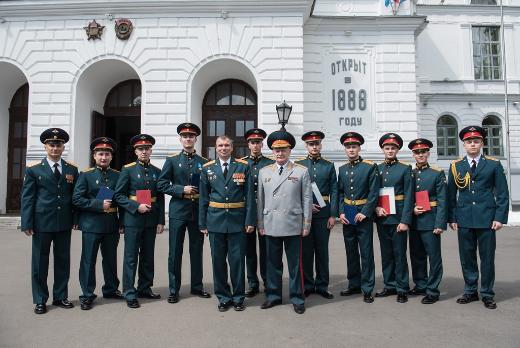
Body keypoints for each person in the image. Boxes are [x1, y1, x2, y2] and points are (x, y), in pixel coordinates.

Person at [447, 126, 509, 309]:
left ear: (482, 143)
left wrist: (499, 217)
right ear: (464, 145)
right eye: (469, 142)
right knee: (467, 257)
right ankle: (470, 291)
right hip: (464, 217)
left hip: (487, 219)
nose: (472, 144)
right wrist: (452, 217)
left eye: (476, 141)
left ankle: (488, 293)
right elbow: (451, 195)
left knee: (487, 258)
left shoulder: (493, 165)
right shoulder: (456, 166)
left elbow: (503, 194)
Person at [21, 128, 78, 314]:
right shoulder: (34, 169)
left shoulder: (71, 169)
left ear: (63, 147)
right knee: (40, 262)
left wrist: (75, 218)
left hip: (64, 222)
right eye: (51, 145)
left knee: (63, 261)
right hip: (41, 222)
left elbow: (75, 197)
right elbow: (28, 197)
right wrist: (27, 222)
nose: (55, 148)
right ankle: (40, 299)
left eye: (59, 145)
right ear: (45, 146)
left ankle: (60, 296)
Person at [257, 130, 313, 314]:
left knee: (295, 265)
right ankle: (273, 296)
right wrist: (261, 224)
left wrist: (306, 224)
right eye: (276, 150)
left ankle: (297, 297)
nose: (280, 153)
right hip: (271, 223)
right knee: (272, 263)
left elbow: (307, 199)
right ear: (272, 151)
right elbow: (261, 200)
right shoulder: (264, 172)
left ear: (289, 150)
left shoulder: (301, 171)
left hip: (293, 223)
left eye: (283, 149)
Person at [199, 135, 255, 312]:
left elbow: (250, 198)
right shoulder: (207, 168)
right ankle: (223, 297)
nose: (223, 148)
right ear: (216, 148)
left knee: (237, 261)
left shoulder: (243, 166)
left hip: (238, 221)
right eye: (220, 145)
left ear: (232, 148)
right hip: (215, 221)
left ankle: (238, 297)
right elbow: (203, 198)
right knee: (218, 262)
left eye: (226, 145)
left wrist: (249, 220)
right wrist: (203, 223)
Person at [157, 123, 211, 304]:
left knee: (196, 251)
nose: (188, 139)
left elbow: (207, 188)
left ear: (196, 139)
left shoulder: (203, 162)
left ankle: (197, 286)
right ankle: (174, 289)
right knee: (175, 252)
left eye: (191, 136)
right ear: (180, 139)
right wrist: (182, 189)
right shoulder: (171, 160)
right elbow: (162, 184)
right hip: (178, 212)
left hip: (196, 212)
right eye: (185, 136)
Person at [114, 134, 165, 309]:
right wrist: (136, 206)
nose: (144, 151)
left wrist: (160, 221)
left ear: (151, 150)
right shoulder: (127, 170)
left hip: (151, 220)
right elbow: (118, 196)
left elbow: (160, 198)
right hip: (133, 219)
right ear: (135, 151)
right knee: (130, 257)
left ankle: (145, 287)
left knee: (147, 256)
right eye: (140, 149)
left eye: (147, 148)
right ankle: (129, 292)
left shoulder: (157, 172)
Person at [73, 137, 124, 310]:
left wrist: (122, 222)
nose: (104, 157)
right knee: (88, 260)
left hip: (111, 223)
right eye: (100, 154)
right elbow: (77, 199)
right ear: (94, 156)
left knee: (110, 259)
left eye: (107, 154)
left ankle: (110, 289)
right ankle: (87, 294)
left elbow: (122, 199)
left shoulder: (117, 175)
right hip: (91, 224)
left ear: (111, 157)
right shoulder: (86, 175)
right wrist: (97, 204)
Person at [337, 132, 379, 303]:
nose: (351, 149)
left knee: (366, 253)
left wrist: (366, 211)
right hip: (348, 214)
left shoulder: (369, 167)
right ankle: (354, 283)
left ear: (359, 148)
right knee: (351, 251)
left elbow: (374, 193)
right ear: (345, 149)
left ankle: (367, 288)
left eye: (354, 146)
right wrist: (340, 212)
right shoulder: (342, 169)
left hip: (363, 215)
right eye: (348, 147)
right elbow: (340, 192)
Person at [295, 131, 337, 299]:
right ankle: (307, 285)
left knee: (322, 252)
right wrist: (304, 206)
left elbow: (334, 190)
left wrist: (333, 214)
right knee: (305, 252)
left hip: (323, 214)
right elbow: (294, 191)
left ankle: (322, 285)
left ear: (321, 145)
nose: (314, 146)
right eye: (311, 144)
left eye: (317, 143)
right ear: (306, 146)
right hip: (304, 215)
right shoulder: (298, 165)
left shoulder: (328, 165)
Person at [375, 133, 413, 303]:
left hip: (398, 218)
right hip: (383, 217)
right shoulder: (377, 168)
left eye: (393, 148)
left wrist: (405, 220)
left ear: (397, 150)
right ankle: (389, 285)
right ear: (383, 149)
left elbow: (409, 196)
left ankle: (402, 287)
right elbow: (373, 193)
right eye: (387, 148)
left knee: (399, 254)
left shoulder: (405, 169)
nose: (390, 151)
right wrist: (376, 207)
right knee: (386, 254)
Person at [408, 138, 446, 304]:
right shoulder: (410, 173)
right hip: (415, 221)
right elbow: (407, 198)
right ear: (413, 154)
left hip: (431, 221)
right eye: (417, 152)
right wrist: (411, 210)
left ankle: (432, 290)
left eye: (423, 151)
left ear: (428, 153)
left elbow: (443, 200)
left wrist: (440, 223)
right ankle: (420, 284)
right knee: (416, 255)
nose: (420, 154)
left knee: (434, 257)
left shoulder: (437, 173)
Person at [241, 128, 274, 298]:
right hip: (247, 212)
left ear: (262, 144)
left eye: (258, 142)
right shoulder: (241, 163)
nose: (255, 145)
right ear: (248, 144)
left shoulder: (269, 164)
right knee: (249, 250)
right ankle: (252, 283)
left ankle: (268, 282)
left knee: (266, 250)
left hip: (265, 211)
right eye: (252, 142)